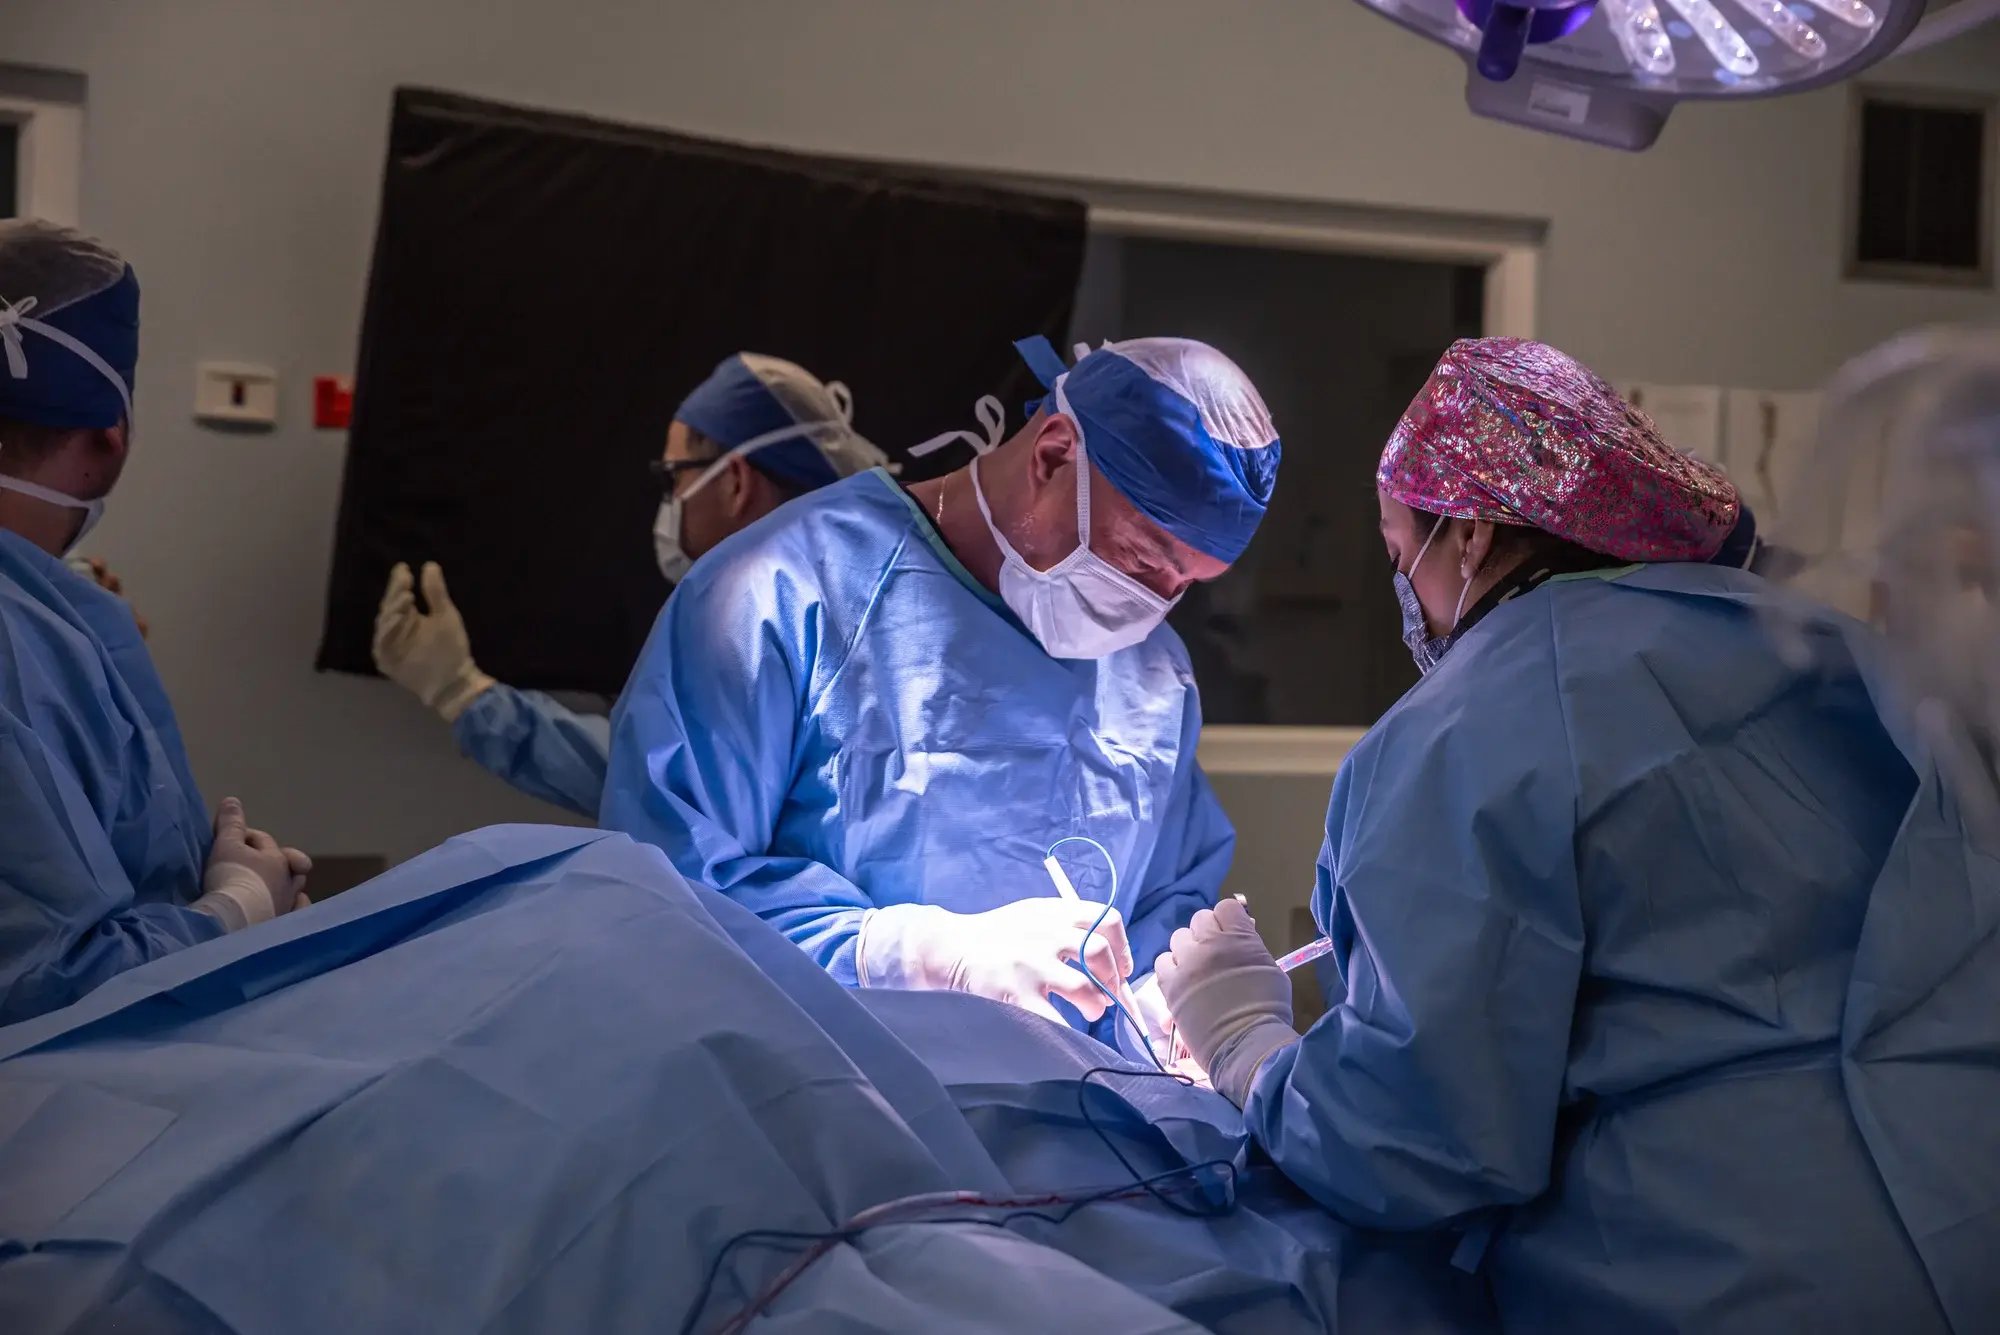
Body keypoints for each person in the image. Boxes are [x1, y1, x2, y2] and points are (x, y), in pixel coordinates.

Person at [1155, 336, 2000, 1332]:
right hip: (1964, 1222)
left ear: (1470, 534)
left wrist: (1248, 1047)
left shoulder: (1462, 726)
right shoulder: (1832, 649)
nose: (1406, 598)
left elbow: (1413, 1143)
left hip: (1724, 1276)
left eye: (1398, 556)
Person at [600, 336, 1279, 1051]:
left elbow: (1167, 902)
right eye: (1141, 559)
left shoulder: (1153, 673)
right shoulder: (778, 594)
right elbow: (664, 896)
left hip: (1071, 1109)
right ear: (1053, 454)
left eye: (1185, 584)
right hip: (815, 1098)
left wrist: (1170, 1008)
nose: (1154, 603)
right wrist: (910, 954)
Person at [0, 219, 308, 1025]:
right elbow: (46, 986)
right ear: (111, 438)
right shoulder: (20, 641)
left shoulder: (52, 617)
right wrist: (238, 909)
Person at [370, 353, 886, 816]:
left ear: (734, 483)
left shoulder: (771, 632)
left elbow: (660, 785)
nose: (670, 500)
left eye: (673, 477)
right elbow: (664, 769)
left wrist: (464, 694)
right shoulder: (857, 600)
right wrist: (468, 694)